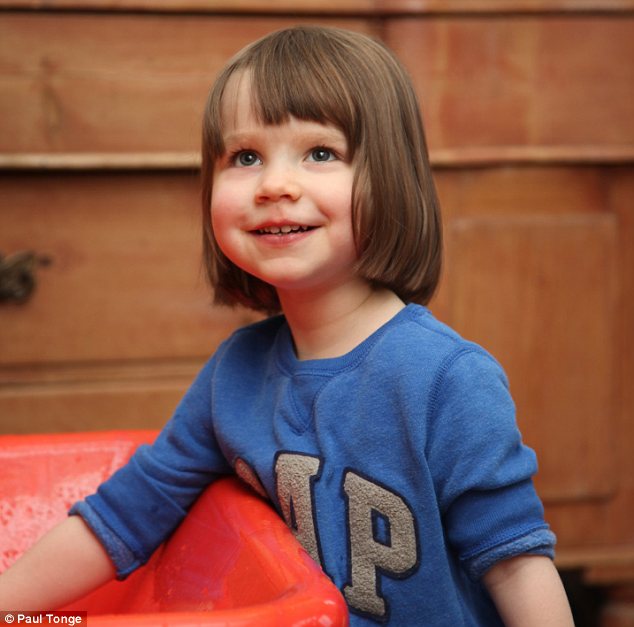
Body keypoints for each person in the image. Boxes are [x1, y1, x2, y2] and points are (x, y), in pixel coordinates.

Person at [0, 25, 573, 626]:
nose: (274, 185)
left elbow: (516, 566)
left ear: (391, 179)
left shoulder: (447, 379)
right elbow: (126, 514)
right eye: (245, 157)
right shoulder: (235, 372)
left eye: (320, 153)